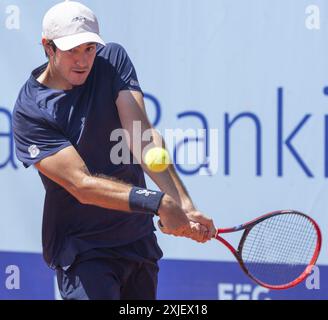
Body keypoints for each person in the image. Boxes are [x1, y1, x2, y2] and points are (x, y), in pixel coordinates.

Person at [12, 1, 216, 300]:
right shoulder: (31, 112)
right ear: (48, 47)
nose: (82, 60)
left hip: (137, 242)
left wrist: (182, 203)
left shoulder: (112, 60)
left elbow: (142, 137)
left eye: (89, 48)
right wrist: (158, 203)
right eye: (72, 50)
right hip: (84, 250)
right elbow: (82, 185)